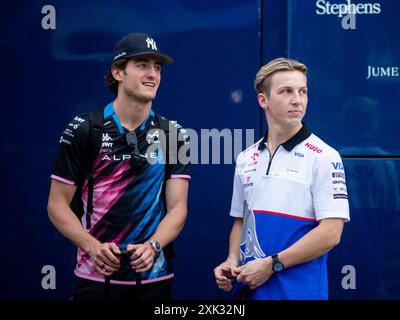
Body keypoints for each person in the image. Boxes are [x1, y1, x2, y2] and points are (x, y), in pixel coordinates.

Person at [47, 33, 190, 300]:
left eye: (157, 67)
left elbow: (178, 207)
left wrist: (153, 246)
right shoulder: (85, 127)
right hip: (95, 278)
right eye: (142, 65)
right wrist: (92, 247)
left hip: (153, 277)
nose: (152, 74)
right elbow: (56, 205)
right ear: (118, 72)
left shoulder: (173, 133)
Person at [214, 58, 350, 300]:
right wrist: (231, 259)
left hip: (300, 293)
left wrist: (272, 264)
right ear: (262, 100)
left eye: (302, 91)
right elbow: (240, 220)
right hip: (249, 293)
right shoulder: (246, 157)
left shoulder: (325, 156)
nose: (297, 100)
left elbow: (331, 233)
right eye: (286, 91)